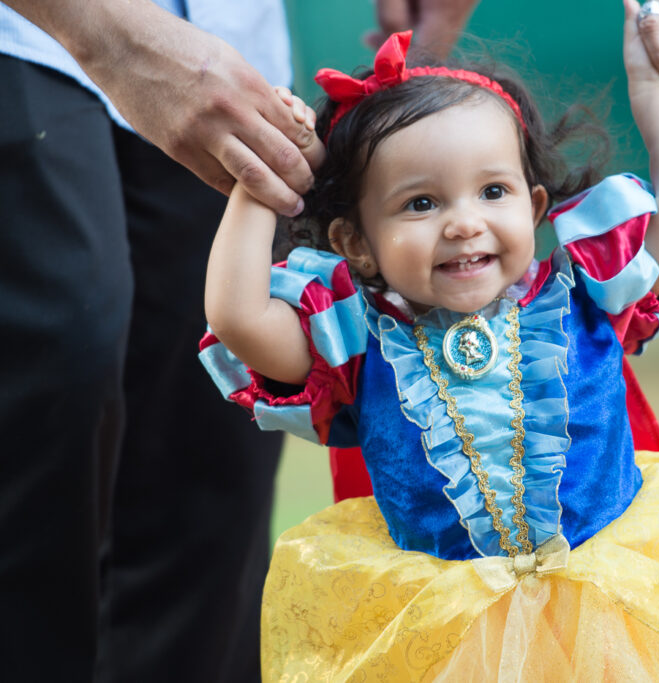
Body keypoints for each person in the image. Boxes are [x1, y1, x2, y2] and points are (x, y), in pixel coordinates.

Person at [201, 1, 659, 679]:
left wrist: (655, 85)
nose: (464, 222)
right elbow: (239, 315)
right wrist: (259, 181)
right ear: (356, 242)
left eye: (492, 191)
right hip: (446, 639)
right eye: (422, 203)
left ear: (534, 208)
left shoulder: (588, 293)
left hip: (614, 627)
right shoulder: (356, 344)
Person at [0, 1, 478, 681]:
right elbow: (240, 318)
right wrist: (110, 33)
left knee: (210, 468)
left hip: (228, 37)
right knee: (60, 353)